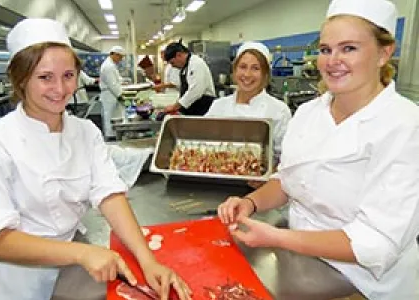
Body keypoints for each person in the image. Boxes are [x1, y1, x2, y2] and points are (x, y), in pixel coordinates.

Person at [0, 18, 192, 300]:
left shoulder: (85, 132)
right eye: (45, 77)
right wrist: (82, 252)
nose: (60, 89)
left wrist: (147, 260)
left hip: (69, 267)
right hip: (10, 283)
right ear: (21, 79)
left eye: (68, 75)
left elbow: (110, 195)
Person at [217, 0, 419, 299]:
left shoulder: (405, 125)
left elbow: (377, 242)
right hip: (302, 266)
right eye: (326, 49)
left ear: (383, 53)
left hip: (364, 285)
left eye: (349, 48)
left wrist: (278, 237)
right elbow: (287, 180)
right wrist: (250, 203)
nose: (332, 60)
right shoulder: (309, 113)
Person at [205, 41, 291, 169]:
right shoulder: (218, 106)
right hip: (220, 179)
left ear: (265, 74)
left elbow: (287, 158)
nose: (247, 74)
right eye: (243, 67)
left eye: (255, 68)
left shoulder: (279, 111)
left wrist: (268, 176)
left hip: (262, 185)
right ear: (234, 70)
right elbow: (203, 144)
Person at [163, 41, 216, 115]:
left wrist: (176, 106)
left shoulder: (196, 63)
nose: (172, 66)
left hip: (203, 108)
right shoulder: (186, 66)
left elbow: (196, 90)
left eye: (172, 62)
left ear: (179, 55)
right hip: (192, 109)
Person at [99, 45, 125, 140]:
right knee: (109, 115)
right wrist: (120, 96)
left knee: (112, 115)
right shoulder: (108, 66)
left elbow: (116, 78)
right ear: (115, 55)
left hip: (111, 94)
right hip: (109, 95)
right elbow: (112, 84)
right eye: (120, 57)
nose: (120, 60)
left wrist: (123, 81)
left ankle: (113, 134)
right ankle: (110, 137)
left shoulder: (111, 65)